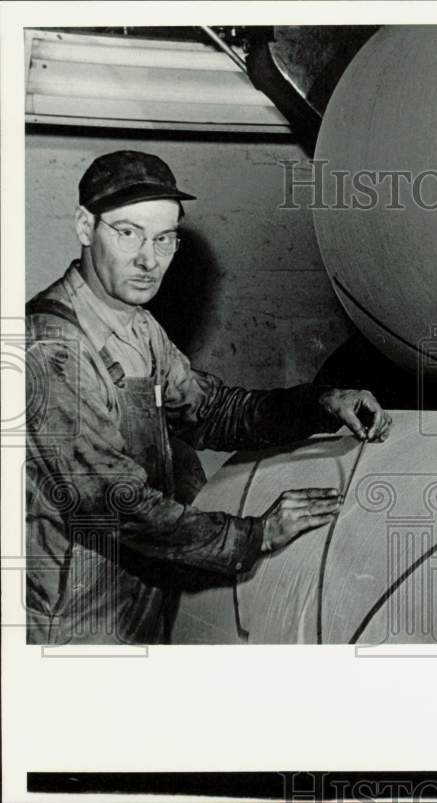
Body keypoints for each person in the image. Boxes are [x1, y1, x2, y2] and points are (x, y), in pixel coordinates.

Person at [24, 150, 391, 645]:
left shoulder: (138, 327)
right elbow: (116, 503)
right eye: (127, 233)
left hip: (129, 599)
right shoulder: (52, 348)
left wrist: (319, 404)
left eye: (164, 239)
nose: (148, 260)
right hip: (67, 620)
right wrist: (255, 535)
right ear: (85, 226)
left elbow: (212, 411)